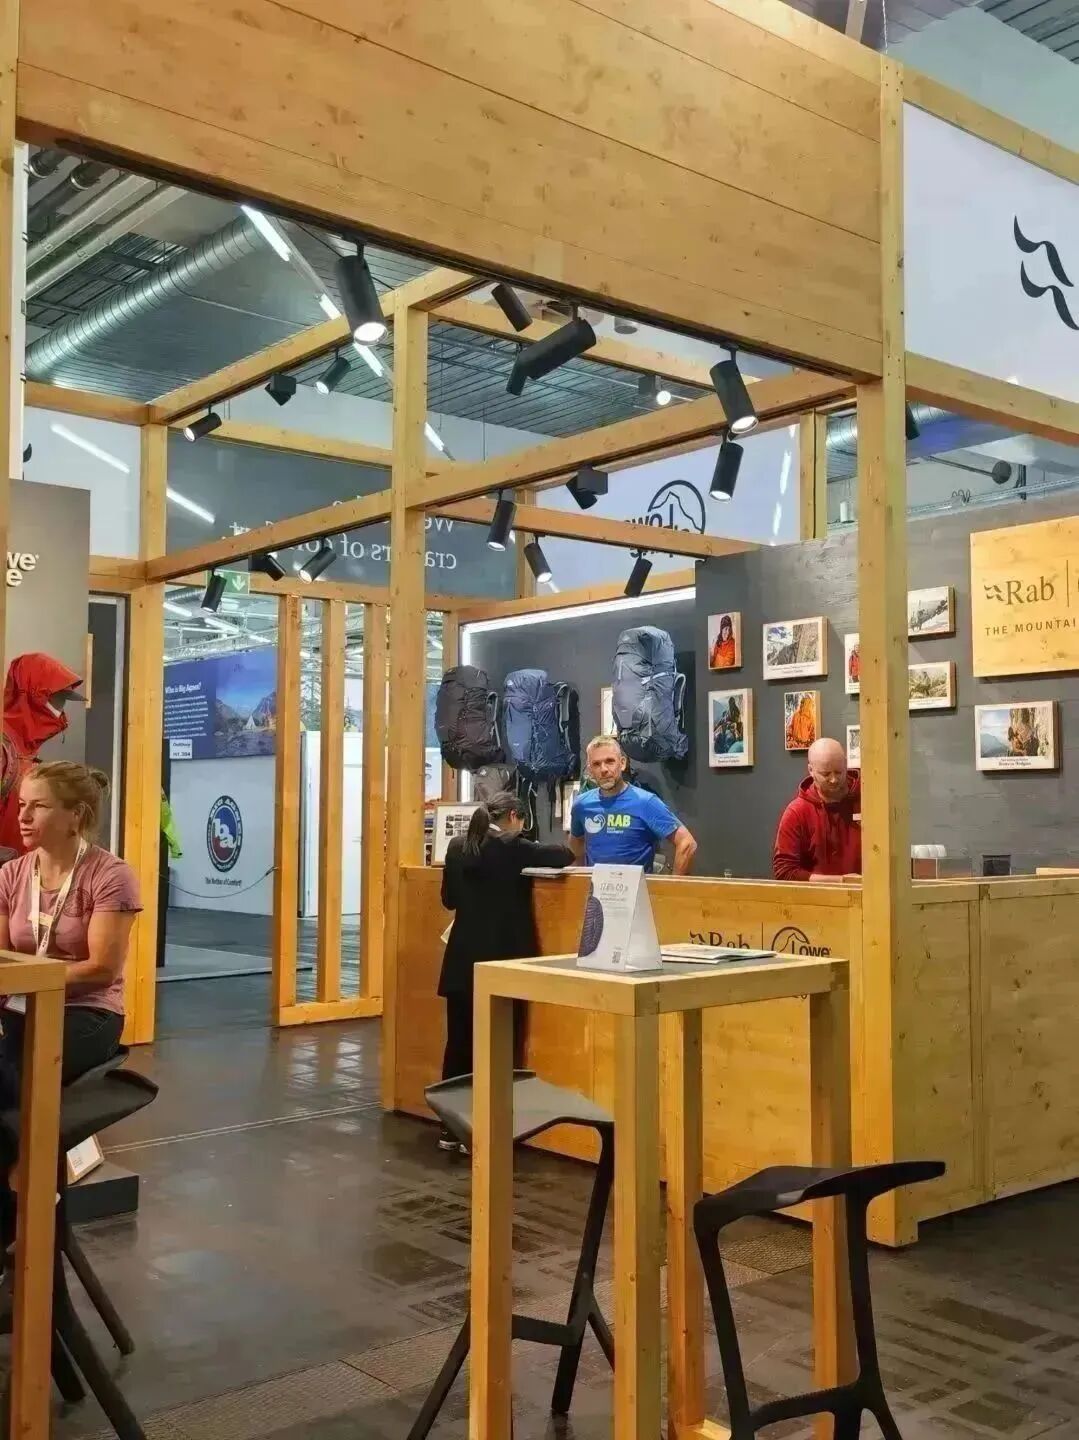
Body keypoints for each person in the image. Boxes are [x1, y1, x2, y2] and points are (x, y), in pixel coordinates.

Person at [439, 792, 573, 1150]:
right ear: (514, 816)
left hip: (460, 961)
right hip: (503, 965)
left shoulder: (457, 846)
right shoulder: (514, 847)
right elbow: (564, 855)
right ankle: (485, 1132)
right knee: (497, 1049)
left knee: (459, 1045)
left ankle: (451, 1128)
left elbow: (449, 900)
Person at [0, 762, 139, 1105]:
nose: (23, 816)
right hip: (18, 1004)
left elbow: (102, 970)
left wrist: (33, 978)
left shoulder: (111, 875)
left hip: (85, 1010)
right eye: (22, 804)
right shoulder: (10, 874)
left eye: (39, 806)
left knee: (14, 1075)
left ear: (76, 815)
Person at [570, 736, 697, 874]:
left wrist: (672, 886)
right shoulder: (582, 805)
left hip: (636, 887)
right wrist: (581, 878)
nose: (604, 769)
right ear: (590, 770)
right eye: (596, 764)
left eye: (610, 761)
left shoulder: (645, 802)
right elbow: (576, 842)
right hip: (596, 887)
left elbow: (687, 843)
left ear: (622, 763)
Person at [0, 653, 85, 854]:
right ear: (32, 695)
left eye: (63, 700)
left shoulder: (24, 748)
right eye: (56, 698)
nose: (60, 709)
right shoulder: (5, 749)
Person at [773, 737, 861, 882]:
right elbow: (785, 872)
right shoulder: (797, 812)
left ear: (846, 764)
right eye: (826, 774)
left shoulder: (869, 801)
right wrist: (841, 881)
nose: (834, 779)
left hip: (870, 894)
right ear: (811, 770)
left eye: (838, 772)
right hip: (818, 896)